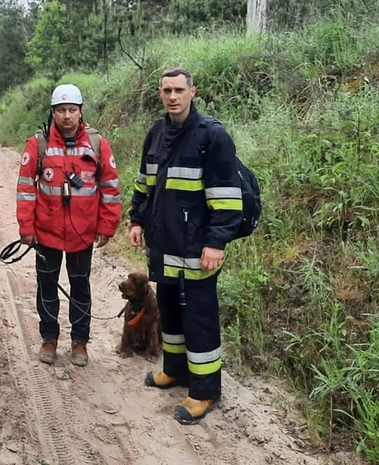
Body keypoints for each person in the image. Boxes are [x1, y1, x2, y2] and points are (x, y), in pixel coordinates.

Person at [128, 67, 243, 425]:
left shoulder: (213, 136)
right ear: (160, 94)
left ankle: (205, 391)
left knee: (200, 318)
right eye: (166, 90)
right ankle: (175, 370)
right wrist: (136, 218)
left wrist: (216, 242)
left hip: (198, 250)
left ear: (193, 91)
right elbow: (145, 182)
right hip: (164, 245)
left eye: (179, 90)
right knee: (170, 313)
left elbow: (226, 196)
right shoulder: (156, 132)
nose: (172, 96)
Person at [16, 84, 121, 367]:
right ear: (52, 112)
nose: (66, 116)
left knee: (80, 286)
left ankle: (79, 342)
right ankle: (49, 339)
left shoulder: (98, 144)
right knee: (46, 285)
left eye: (72, 110)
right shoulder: (37, 144)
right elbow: (26, 188)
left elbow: (110, 187)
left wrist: (106, 226)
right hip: (46, 233)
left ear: (80, 112)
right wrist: (26, 227)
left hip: (82, 234)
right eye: (61, 110)